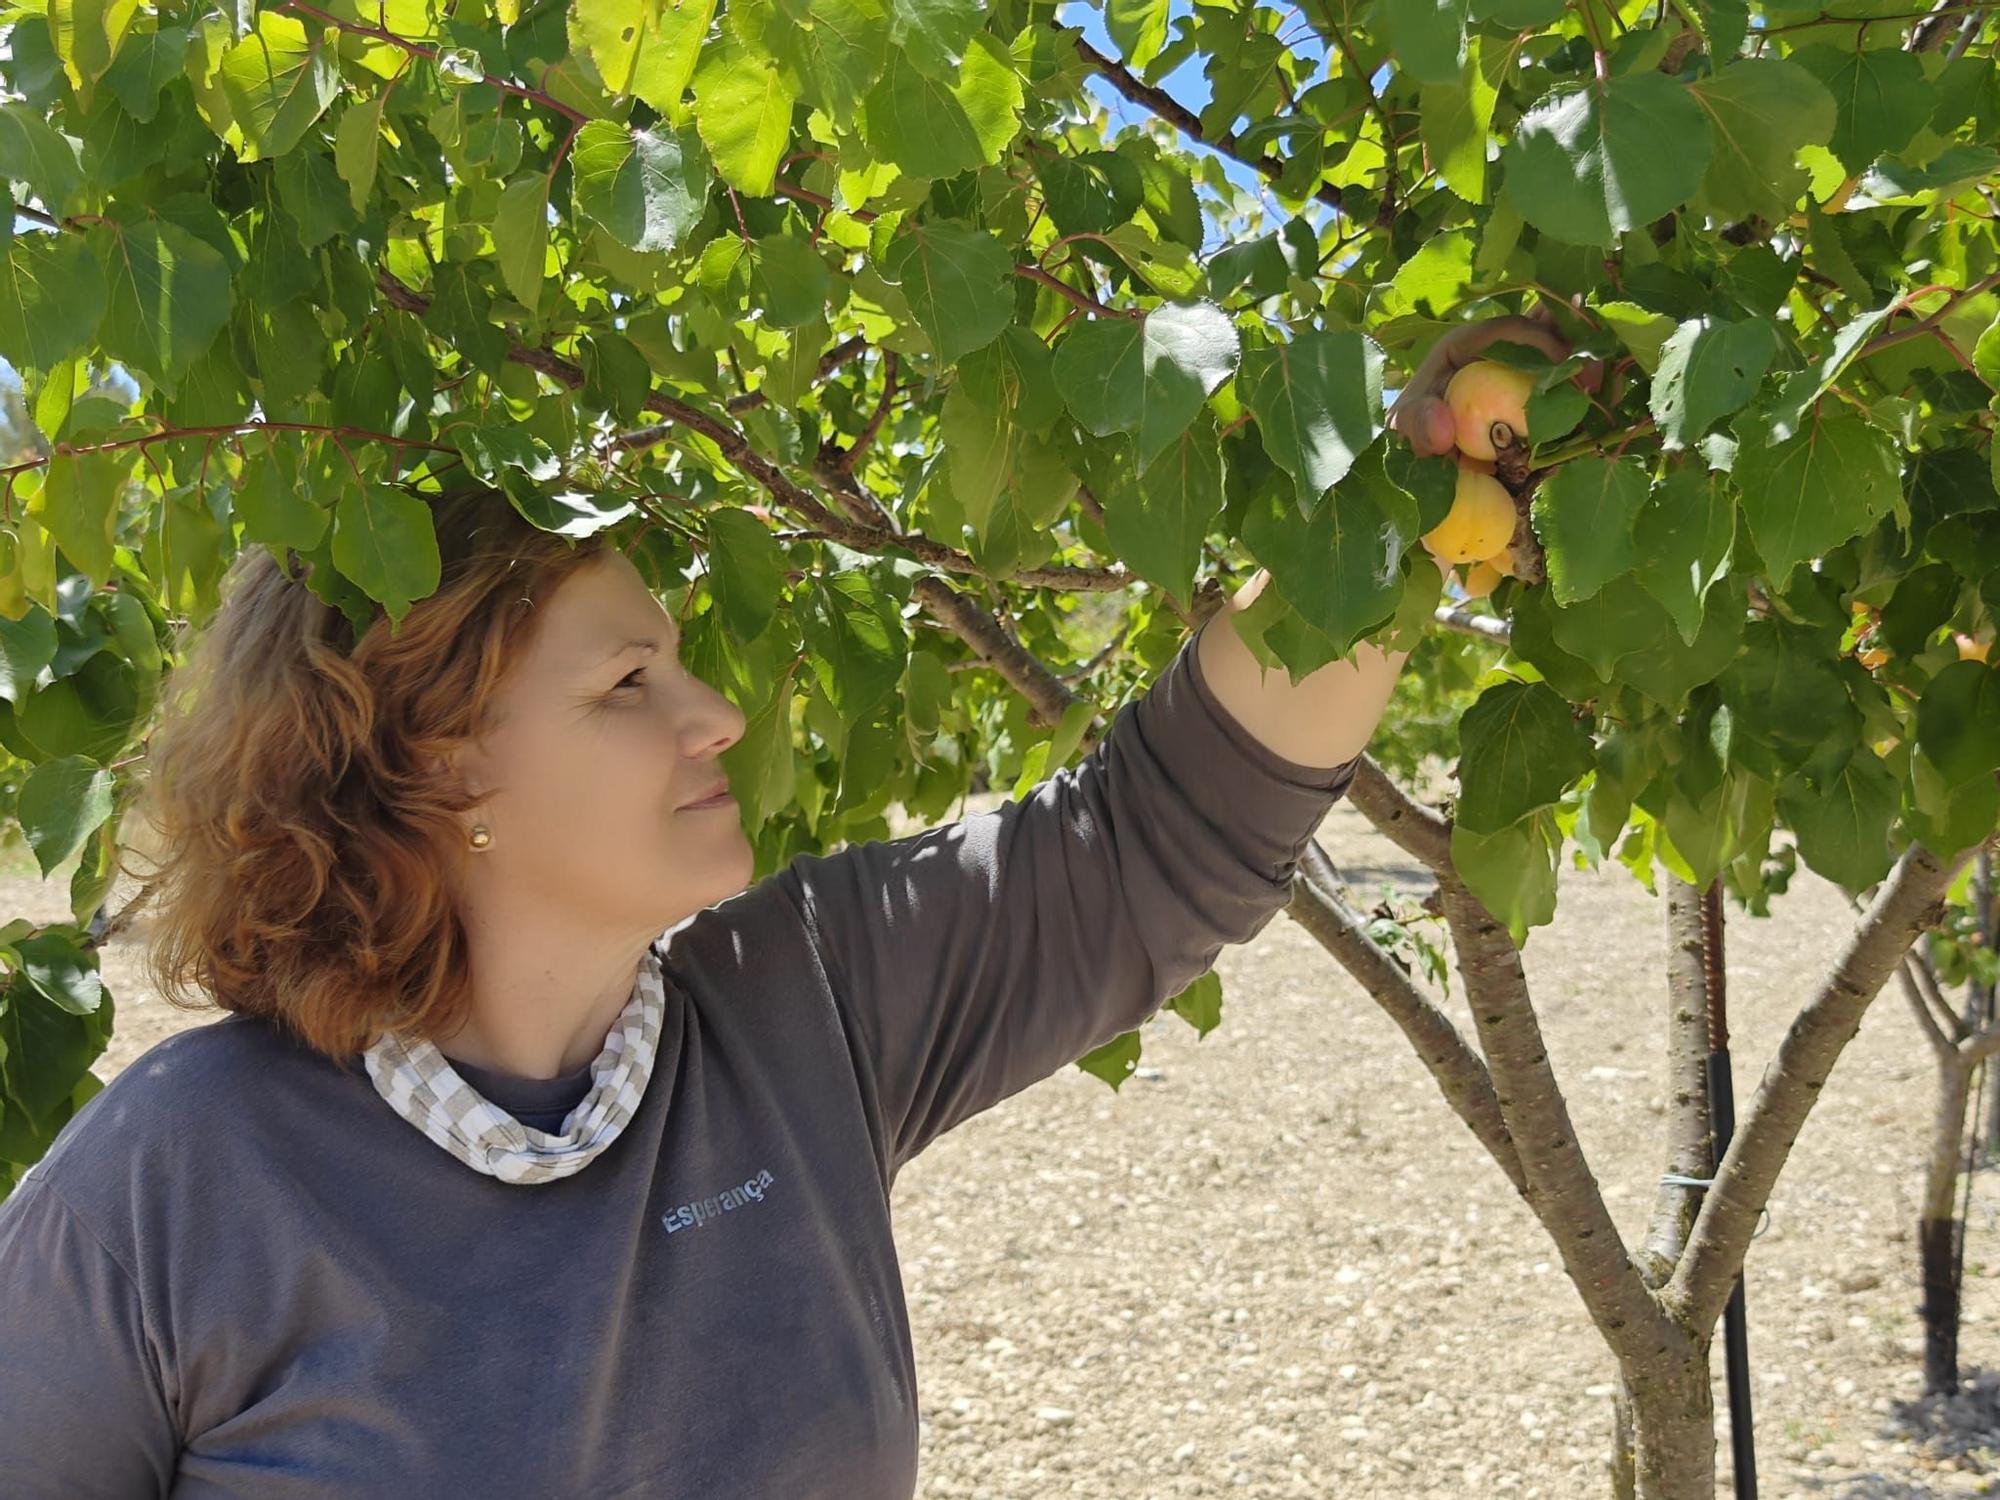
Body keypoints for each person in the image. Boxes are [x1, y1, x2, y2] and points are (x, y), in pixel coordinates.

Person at [0, 315, 1569, 1497]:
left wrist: (1398, 500)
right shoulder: (173, 1188)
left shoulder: (797, 1012)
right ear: (432, 763)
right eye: (629, 682)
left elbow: (1160, 834)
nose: (715, 718)